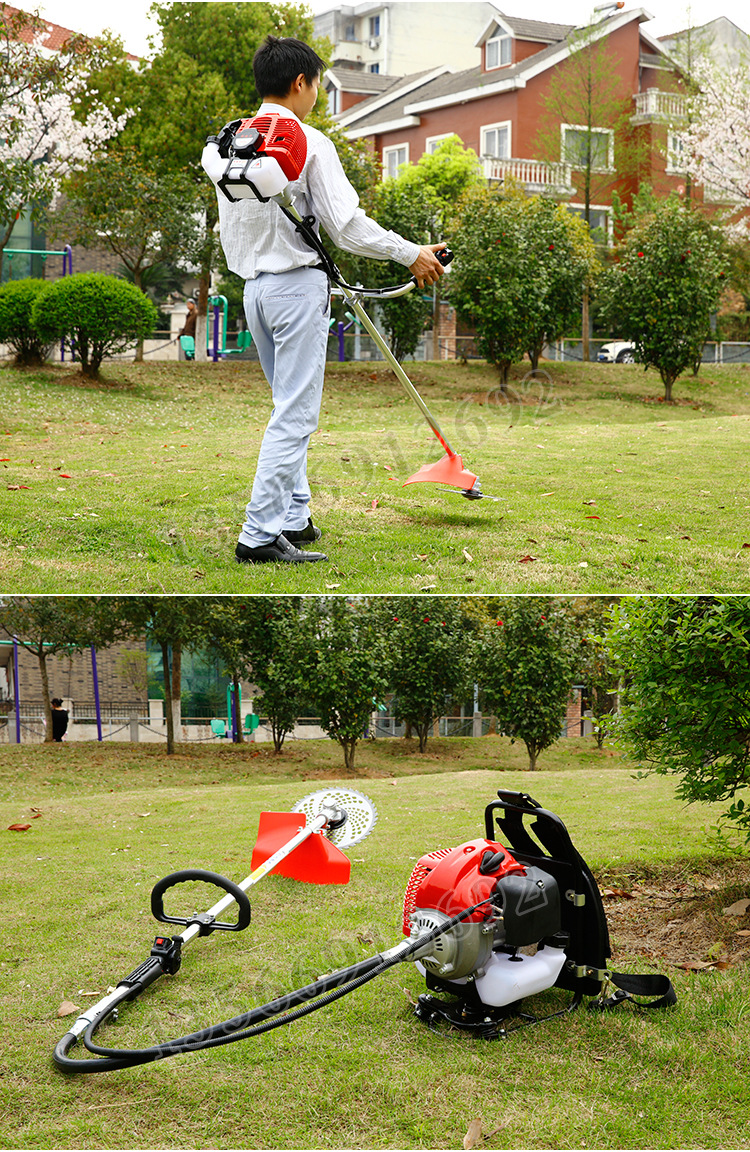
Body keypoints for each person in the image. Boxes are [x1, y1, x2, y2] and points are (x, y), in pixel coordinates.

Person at [205, 35, 447, 565]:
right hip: (296, 289)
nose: (317, 94)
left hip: (254, 291)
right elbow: (348, 227)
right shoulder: (310, 142)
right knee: (295, 416)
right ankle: (259, 535)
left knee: (285, 407)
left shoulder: (233, 143)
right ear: (301, 83)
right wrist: (410, 253)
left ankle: (295, 517)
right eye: (318, 84)